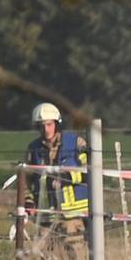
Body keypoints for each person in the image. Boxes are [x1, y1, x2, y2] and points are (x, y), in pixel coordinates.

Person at [21, 102, 92, 238]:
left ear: (57, 124)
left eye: (49, 124)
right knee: (43, 251)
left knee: (75, 250)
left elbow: (89, 172)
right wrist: (28, 201)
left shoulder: (76, 143)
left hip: (74, 217)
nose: (46, 129)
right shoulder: (33, 149)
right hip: (46, 218)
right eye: (42, 126)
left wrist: (66, 178)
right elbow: (25, 180)